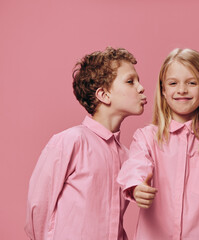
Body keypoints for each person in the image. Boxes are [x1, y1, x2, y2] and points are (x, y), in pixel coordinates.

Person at [117, 48, 199, 239]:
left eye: (192, 83)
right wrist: (138, 187)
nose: (181, 90)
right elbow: (136, 166)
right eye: (173, 83)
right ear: (163, 90)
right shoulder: (146, 137)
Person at [25, 47, 147, 240]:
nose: (141, 88)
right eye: (130, 81)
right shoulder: (71, 141)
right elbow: (39, 206)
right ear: (104, 95)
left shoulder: (129, 157)